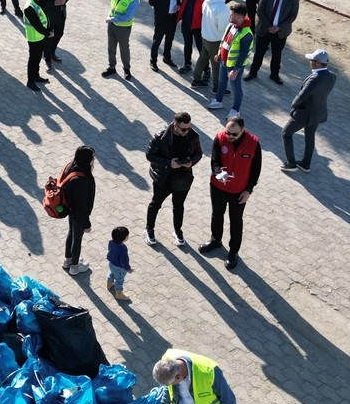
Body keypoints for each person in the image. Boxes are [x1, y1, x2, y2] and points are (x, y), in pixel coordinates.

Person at [200, 115, 262, 270]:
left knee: (235, 221)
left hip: (239, 191)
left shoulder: (253, 144)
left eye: (234, 134)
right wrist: (218, 173)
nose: (230, 136)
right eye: (228, 132)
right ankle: (215, 240)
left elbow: (256, 170)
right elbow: (215, 160)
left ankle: (233, 252)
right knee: (217, 214)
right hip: (218, 187)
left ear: (243, 130)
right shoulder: (220, 138)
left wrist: (248, 190)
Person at [145, 112, 202, 246]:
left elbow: (199, 153)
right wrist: (169, 163)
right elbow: (149, 155)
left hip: (183, 177)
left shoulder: (193, 135)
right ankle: (149, 229)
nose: (186, 131)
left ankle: (177, 231)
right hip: (164, 177)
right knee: (156, 204)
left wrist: (191, 162)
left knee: (179, 206)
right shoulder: (161, 137)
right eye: (183, 129)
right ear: (175, 125)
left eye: (189, 128)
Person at [281, 50, 336, 173]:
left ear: (317, 63)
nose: (310, 62)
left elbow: (301, 97)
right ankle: (306, 164)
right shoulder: (332, 76)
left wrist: (294, 105)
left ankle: (291, 164)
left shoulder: (314, 79)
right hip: (318, 113)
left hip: (304, 114)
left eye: (312, 60)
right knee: (310, 138)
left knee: (286, 133)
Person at [247, 0, 299, 84]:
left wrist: (278, 27)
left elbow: (292, 16)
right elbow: (260, 10)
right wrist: (269, 26)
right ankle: (253, 72)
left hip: (280, 32)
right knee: (259, 53)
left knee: (277, 54)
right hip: (264, 29)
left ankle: (274, 75)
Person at [91, 0, 138, 80]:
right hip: (111, 24)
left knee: (124, 49)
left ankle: (127, 69)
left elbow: (127, 17)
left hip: (123, 28)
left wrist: (113, 19)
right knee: (111, 47)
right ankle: (112, 67)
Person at [207, 3, 254, 119]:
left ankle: (235, 110)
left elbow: (243, 54)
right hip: (224, 61)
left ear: (238, 17)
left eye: (231, 14)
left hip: (233, 67)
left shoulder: (247, 34)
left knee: (236, 88)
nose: (229, 16)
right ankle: (218, 101)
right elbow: (225, 41)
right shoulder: (231, 25)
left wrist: (236, 70)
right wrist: (219, 54)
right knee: (222, 82)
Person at [192, 0, 238, 92]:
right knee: (216, 65)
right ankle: (217, 87)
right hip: (215, 40)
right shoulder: (223, 8)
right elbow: (223, 28)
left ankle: (196, 80)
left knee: (202, 58)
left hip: (205, 36)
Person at [59, 145, 96, 275]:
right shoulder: (82, 179)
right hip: (78, 212)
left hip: (70, 209)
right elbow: (82, 205)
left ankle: (67, 260)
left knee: (71, 233)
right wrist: (86, 223)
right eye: (92, 158)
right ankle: (75, 266)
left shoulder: (71, 167)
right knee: (77, 238)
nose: (93, 160)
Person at [38, 0, 73, 69]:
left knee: (59, 33)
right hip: (49, 15)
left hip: (61, 13)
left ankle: (51, 52)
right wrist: (53, 3)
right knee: (49, 37)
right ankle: (47, 59)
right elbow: (39, 2)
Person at [148, 0, 182, 70]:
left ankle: (167, 57)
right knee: (157, 40)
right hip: (162, 18)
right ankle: (153, 61)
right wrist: (162, 8)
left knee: (170, 39)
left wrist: (178, 4)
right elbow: (151, 1)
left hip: (173, 16)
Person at [177, 0, 210, 73]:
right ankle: (187, 64)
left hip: (199, 27)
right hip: (186, 24)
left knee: (201, 49)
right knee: (187, 45)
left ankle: (206, 69)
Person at [23, 0, 51, 92]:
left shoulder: (38, 0)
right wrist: (48, 33)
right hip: (34, 38)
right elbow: (37, 25)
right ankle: (30, 81)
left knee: (38, 57)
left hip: (40, 37)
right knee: (33, 59)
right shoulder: (29, 7)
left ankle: (36, 75)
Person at [106, 227, 132, 302]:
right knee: (120, 279)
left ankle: (109, 283)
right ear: (124, 238)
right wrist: (128, 268)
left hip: (111, 263)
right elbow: (124, 261)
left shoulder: (111, 242)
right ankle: (119, 294)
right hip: (119, 267)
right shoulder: (123, 248)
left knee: (111, 273)